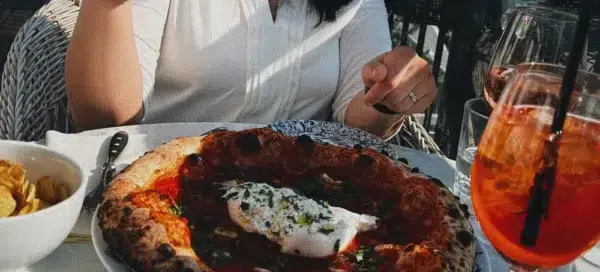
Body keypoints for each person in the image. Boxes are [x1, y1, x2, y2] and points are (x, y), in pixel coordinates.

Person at [65, 0, 436, 138]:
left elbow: (357, 122)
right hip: (164, 188)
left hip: (304, 204)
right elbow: (105, 120)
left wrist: (388, 95)